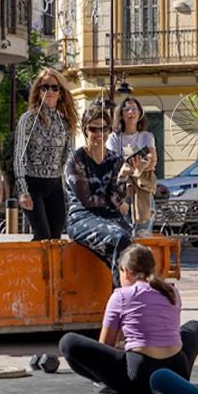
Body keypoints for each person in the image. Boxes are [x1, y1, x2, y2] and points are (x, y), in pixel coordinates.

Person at [58, 245, 198, 394]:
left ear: (127, 272)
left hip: (139, 376)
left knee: (68, 342)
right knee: (194, 327)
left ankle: (102, 380)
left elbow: (105, 345)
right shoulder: (172, 292)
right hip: (178, 373)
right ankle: (175, 381)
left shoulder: (121, 296)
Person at [65, 104, 141, 286]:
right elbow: (87, 200)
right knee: (120, 239)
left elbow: (117, 197)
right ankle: (120, 296)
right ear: (85, 130)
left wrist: (123, 176)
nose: (99, 134)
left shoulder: (115, 159)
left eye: (104, 129)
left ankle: (128, 295)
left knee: (136, 253)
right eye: (94, 129)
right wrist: (117, 203)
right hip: (82, 217)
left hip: (110, 218)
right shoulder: (75, 160)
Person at [15, 68, 78, 241]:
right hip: (32, 185)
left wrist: (74, 188)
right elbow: (19, 155)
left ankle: (44, 262)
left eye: (54, 87)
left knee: (55, 238)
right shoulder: (28, 119)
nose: (49, 91)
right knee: (43, 236)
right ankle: (31, 260)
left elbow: (70, 157)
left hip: (55, 186)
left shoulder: (65, 122)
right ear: (38, 91)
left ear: (60, 92)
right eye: (45, 87)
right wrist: (22, 190)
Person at [106, 96, 158, 237]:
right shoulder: (114, 138)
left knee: (143, 234)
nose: (131, 112)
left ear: (140, 113)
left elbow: (152, 161)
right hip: (122, 188)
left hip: (143, 188)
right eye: (127, 109)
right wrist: (137, 166)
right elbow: (113, 164)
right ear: (121, 114)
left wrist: (135, 166)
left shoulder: (147, 136)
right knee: (122, 233)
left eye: (134, 109)